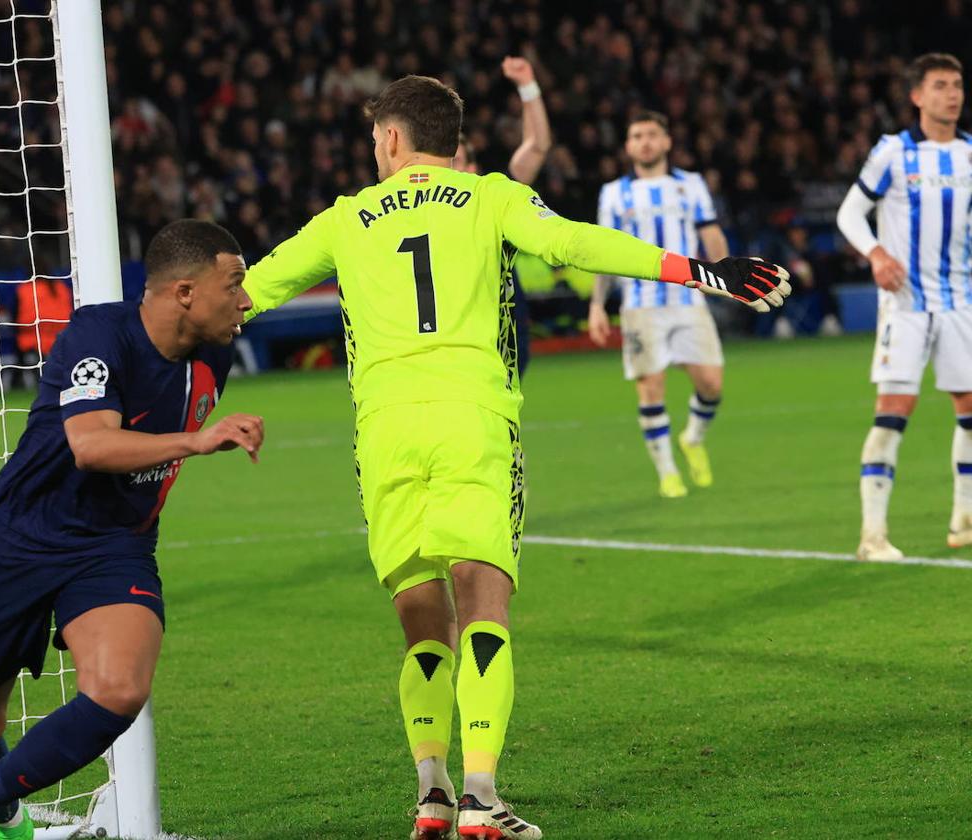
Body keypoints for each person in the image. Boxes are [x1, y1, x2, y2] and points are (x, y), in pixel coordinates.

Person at [242, 75, 790, 840]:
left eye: (375, 139)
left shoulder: (343, 218)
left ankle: (430, 791)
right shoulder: (490, 196)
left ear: (393, 139)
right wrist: (700, 271)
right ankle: (479, 797)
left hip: (384, 428)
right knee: (483, 603)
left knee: (421, 621)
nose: (374, 151)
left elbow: (245, 291)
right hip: (473, 417)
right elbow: (573, 242)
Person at [0, 220, 265, 840]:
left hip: (116, 544)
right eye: (234, 284)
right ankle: (7, 821)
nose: (246, 300)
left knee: (119, 689)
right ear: (184, 292)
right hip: (24, 536)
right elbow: (90, 444)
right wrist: (197, 440)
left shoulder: (213, 349)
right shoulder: (97, 333)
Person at [836, 53, 972, 560]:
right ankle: (872, 536)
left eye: (957, 85)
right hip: (907, 304)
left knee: (970, 411)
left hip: (961, 302)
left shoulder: (970, 155)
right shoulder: (894, 152)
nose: (952, 95)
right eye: (940, 86)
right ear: (917, 96)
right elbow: (850, 212)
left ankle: (964, 518)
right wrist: (875, 253)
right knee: (894, 413)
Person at [587, 111, 730, 498]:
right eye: (637, 135)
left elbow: (710, 233)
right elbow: (602, 252)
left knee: (712, 384)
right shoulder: (614, 192)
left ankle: (693, 438)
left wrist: (729, 278)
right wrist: (597, 304)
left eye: (652, 134)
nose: (645, 141)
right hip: (641, 303)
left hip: (689, 299)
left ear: (667, 142)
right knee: (651, 387)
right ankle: (668, 473)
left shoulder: (690, 184)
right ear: (628, 146)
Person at [453, 55, 553, 379]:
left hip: (502, 329)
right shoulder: (416, 206)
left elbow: (537, 146)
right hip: (450, 332)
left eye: (458, 161)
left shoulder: (493, 197)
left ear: (472, 167)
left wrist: (527, 86)